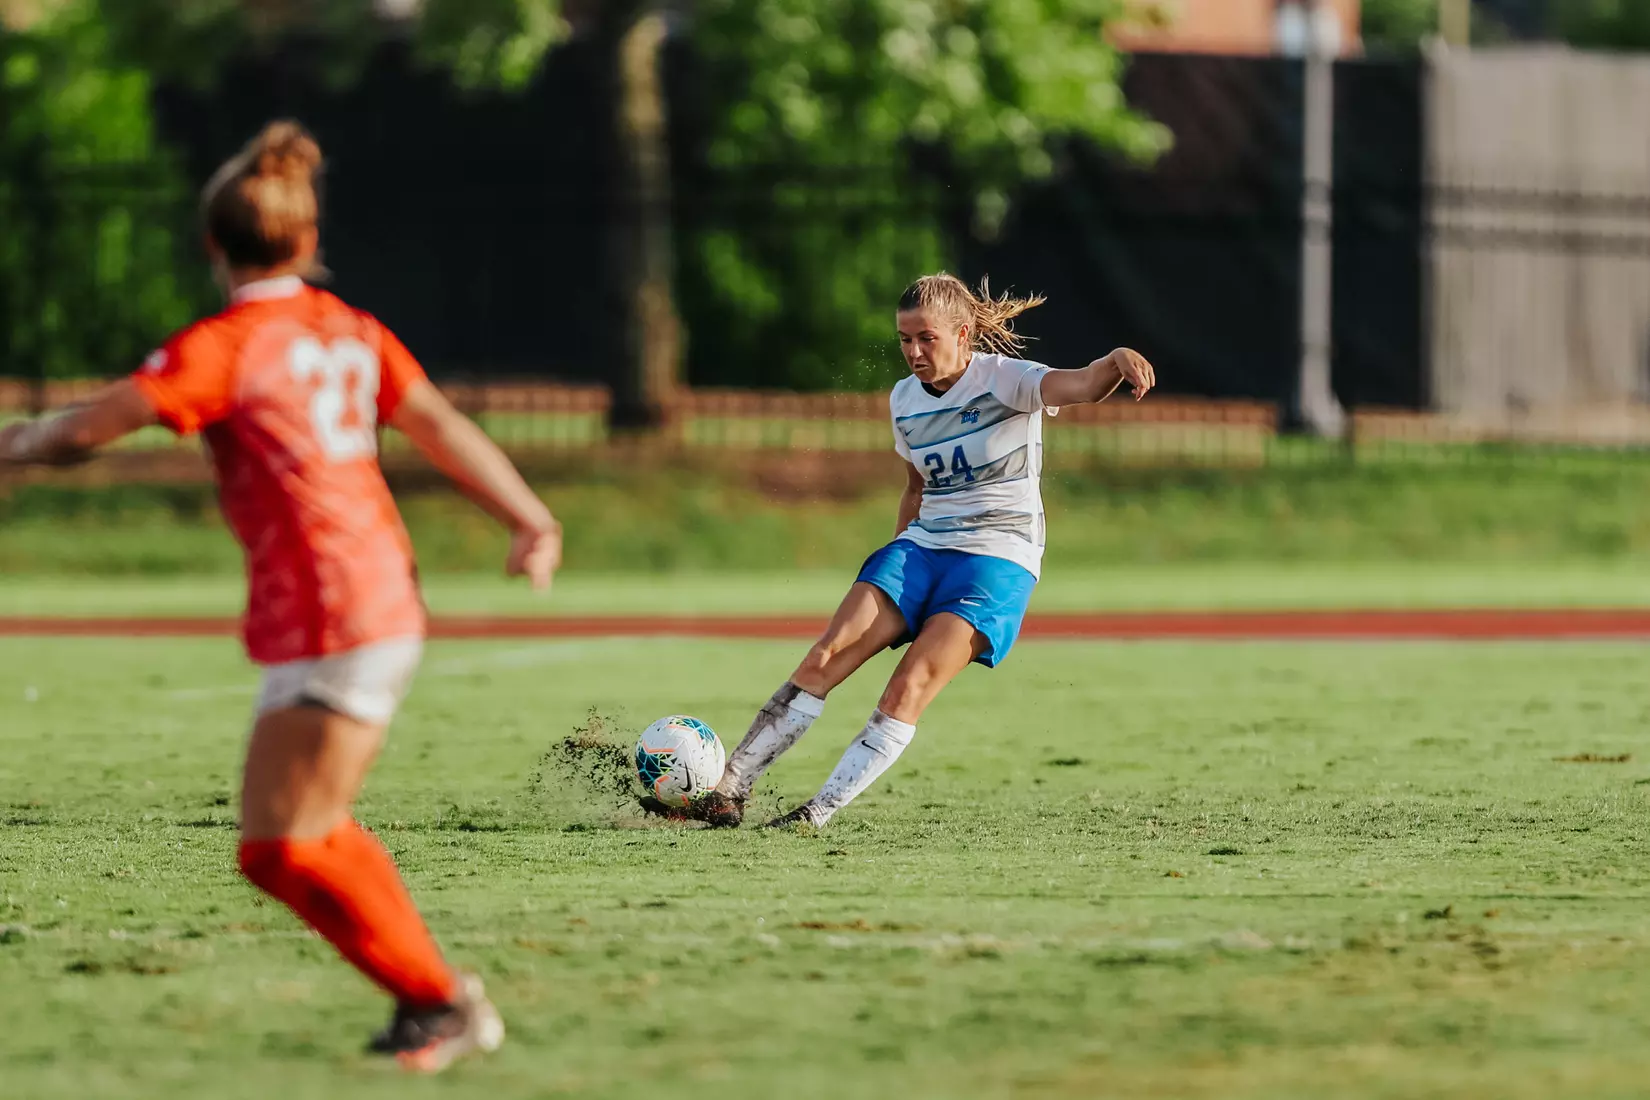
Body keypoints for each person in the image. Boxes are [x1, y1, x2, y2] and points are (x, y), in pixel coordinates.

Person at [0, 121, 560, 1072]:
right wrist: (530, 516)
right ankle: (431, 1000)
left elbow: (86, 430)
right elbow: (437, 423)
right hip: (360, 596)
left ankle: (439, 999)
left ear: (214, 246)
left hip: (339, 607)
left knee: (284, 844)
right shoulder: (349, 329)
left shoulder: (225, 344)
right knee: (290, 840)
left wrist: (13, 442)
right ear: (305, 243)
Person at [649, 273, 1155, 830]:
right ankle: (729, 788)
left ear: (963, 334)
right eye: (904, 340)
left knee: (908, 684)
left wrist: (1117, 358)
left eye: (926, 338)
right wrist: (893, 562)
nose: (913, 352)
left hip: (998, 557)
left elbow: (1082, 385)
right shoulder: (904, 400)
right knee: (825, 656)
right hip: (924, 546)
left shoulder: (1006, 380)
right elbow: (915, 488)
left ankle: (813, 815)